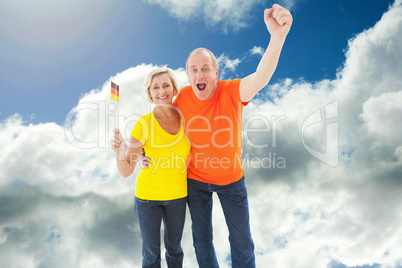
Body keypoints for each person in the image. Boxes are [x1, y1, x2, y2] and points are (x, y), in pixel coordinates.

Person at [142, 4, 292, 267]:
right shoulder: (182, 98)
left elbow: (260, 78)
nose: (200, 74)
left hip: (231, 180)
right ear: (188, 75)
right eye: (194, 70)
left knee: (241, 240)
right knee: (202, 241)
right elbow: (160, 127)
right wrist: (142, 152)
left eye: (205, 68)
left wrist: (277, 37)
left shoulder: (232, 91)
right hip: (196, 182)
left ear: (216, 72)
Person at [110, 67, 191, 268]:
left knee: (175, 250)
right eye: (156, 87)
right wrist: (120, 151)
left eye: (166, 85)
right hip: (147, 199)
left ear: (174, 89)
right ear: (149, 93)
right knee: (151, 254)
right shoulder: (143, 124)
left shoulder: (187, 119)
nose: (161, 91)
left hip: (178, 196)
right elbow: (127, 170)